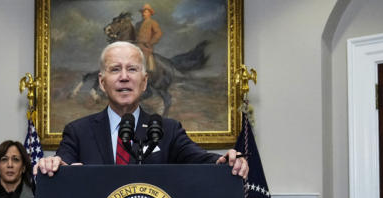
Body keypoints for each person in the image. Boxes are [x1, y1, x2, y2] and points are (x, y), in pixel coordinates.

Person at [34, 41, 248, 178]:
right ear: (102, 82)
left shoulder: (168, 130)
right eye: (115, 69)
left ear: (144, 82)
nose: (124, 76)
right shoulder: (78, 132)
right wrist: (53, 165)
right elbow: (62, 165)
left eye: (132, 69)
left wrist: (225, 161)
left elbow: (202, 160)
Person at [136, 4, 163, 74]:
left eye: (145, 12)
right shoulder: (138, 24)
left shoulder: (153, 23)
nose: (143, 13)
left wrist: (150, 42)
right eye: (142, 12)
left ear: (150, 13)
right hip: (137, 46)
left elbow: (159, 33)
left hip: (146, 47)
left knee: (143, 63)